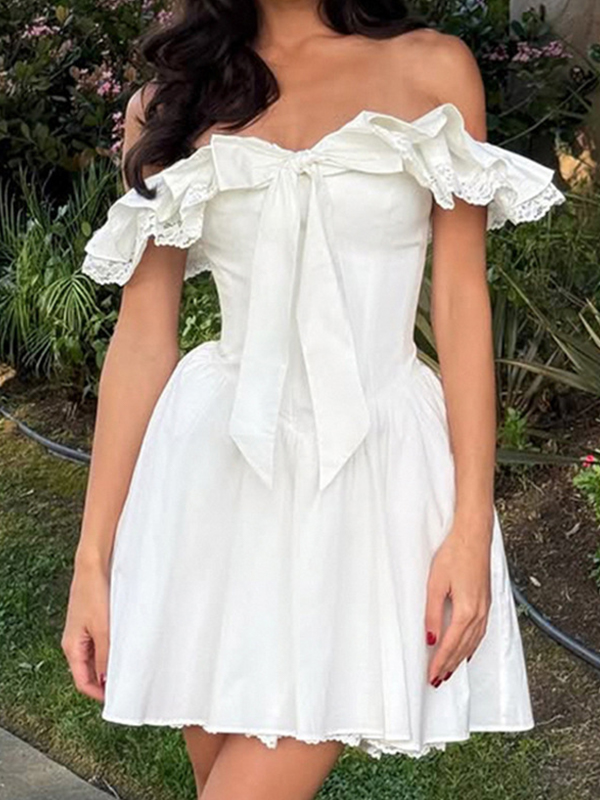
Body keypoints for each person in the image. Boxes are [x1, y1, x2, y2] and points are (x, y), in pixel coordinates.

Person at [61, 0, 566, 797]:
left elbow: (461, 302)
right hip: (214, 482)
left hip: (373, 481)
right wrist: (93, 562)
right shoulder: (174, 99)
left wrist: (471, 525)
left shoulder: (432, 67)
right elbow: (144, 339)